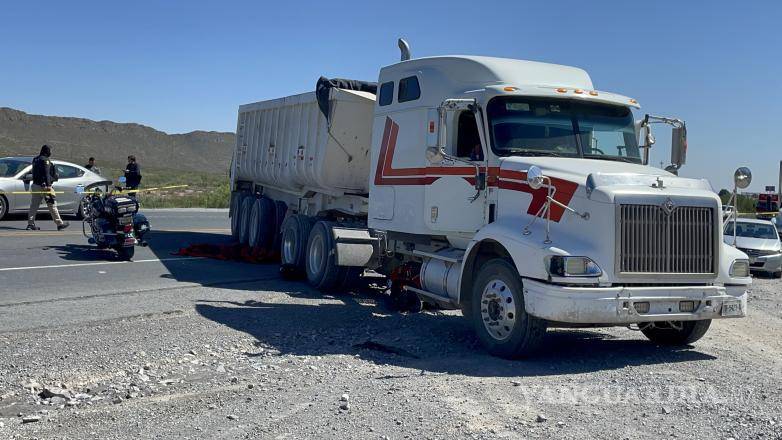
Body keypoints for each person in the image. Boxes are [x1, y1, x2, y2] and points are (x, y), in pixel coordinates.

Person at [27, 145, 69, 231]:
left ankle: (30, 224)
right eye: (50, 150)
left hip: (35, 185)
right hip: (44, 187)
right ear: (46, 151)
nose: (51, 152)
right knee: (52, 205)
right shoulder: (46, 160)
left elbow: (34, 172)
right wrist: (49, 185)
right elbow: (46, 173)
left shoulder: (35, 159)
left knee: (33, 206)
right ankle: (59, 224)